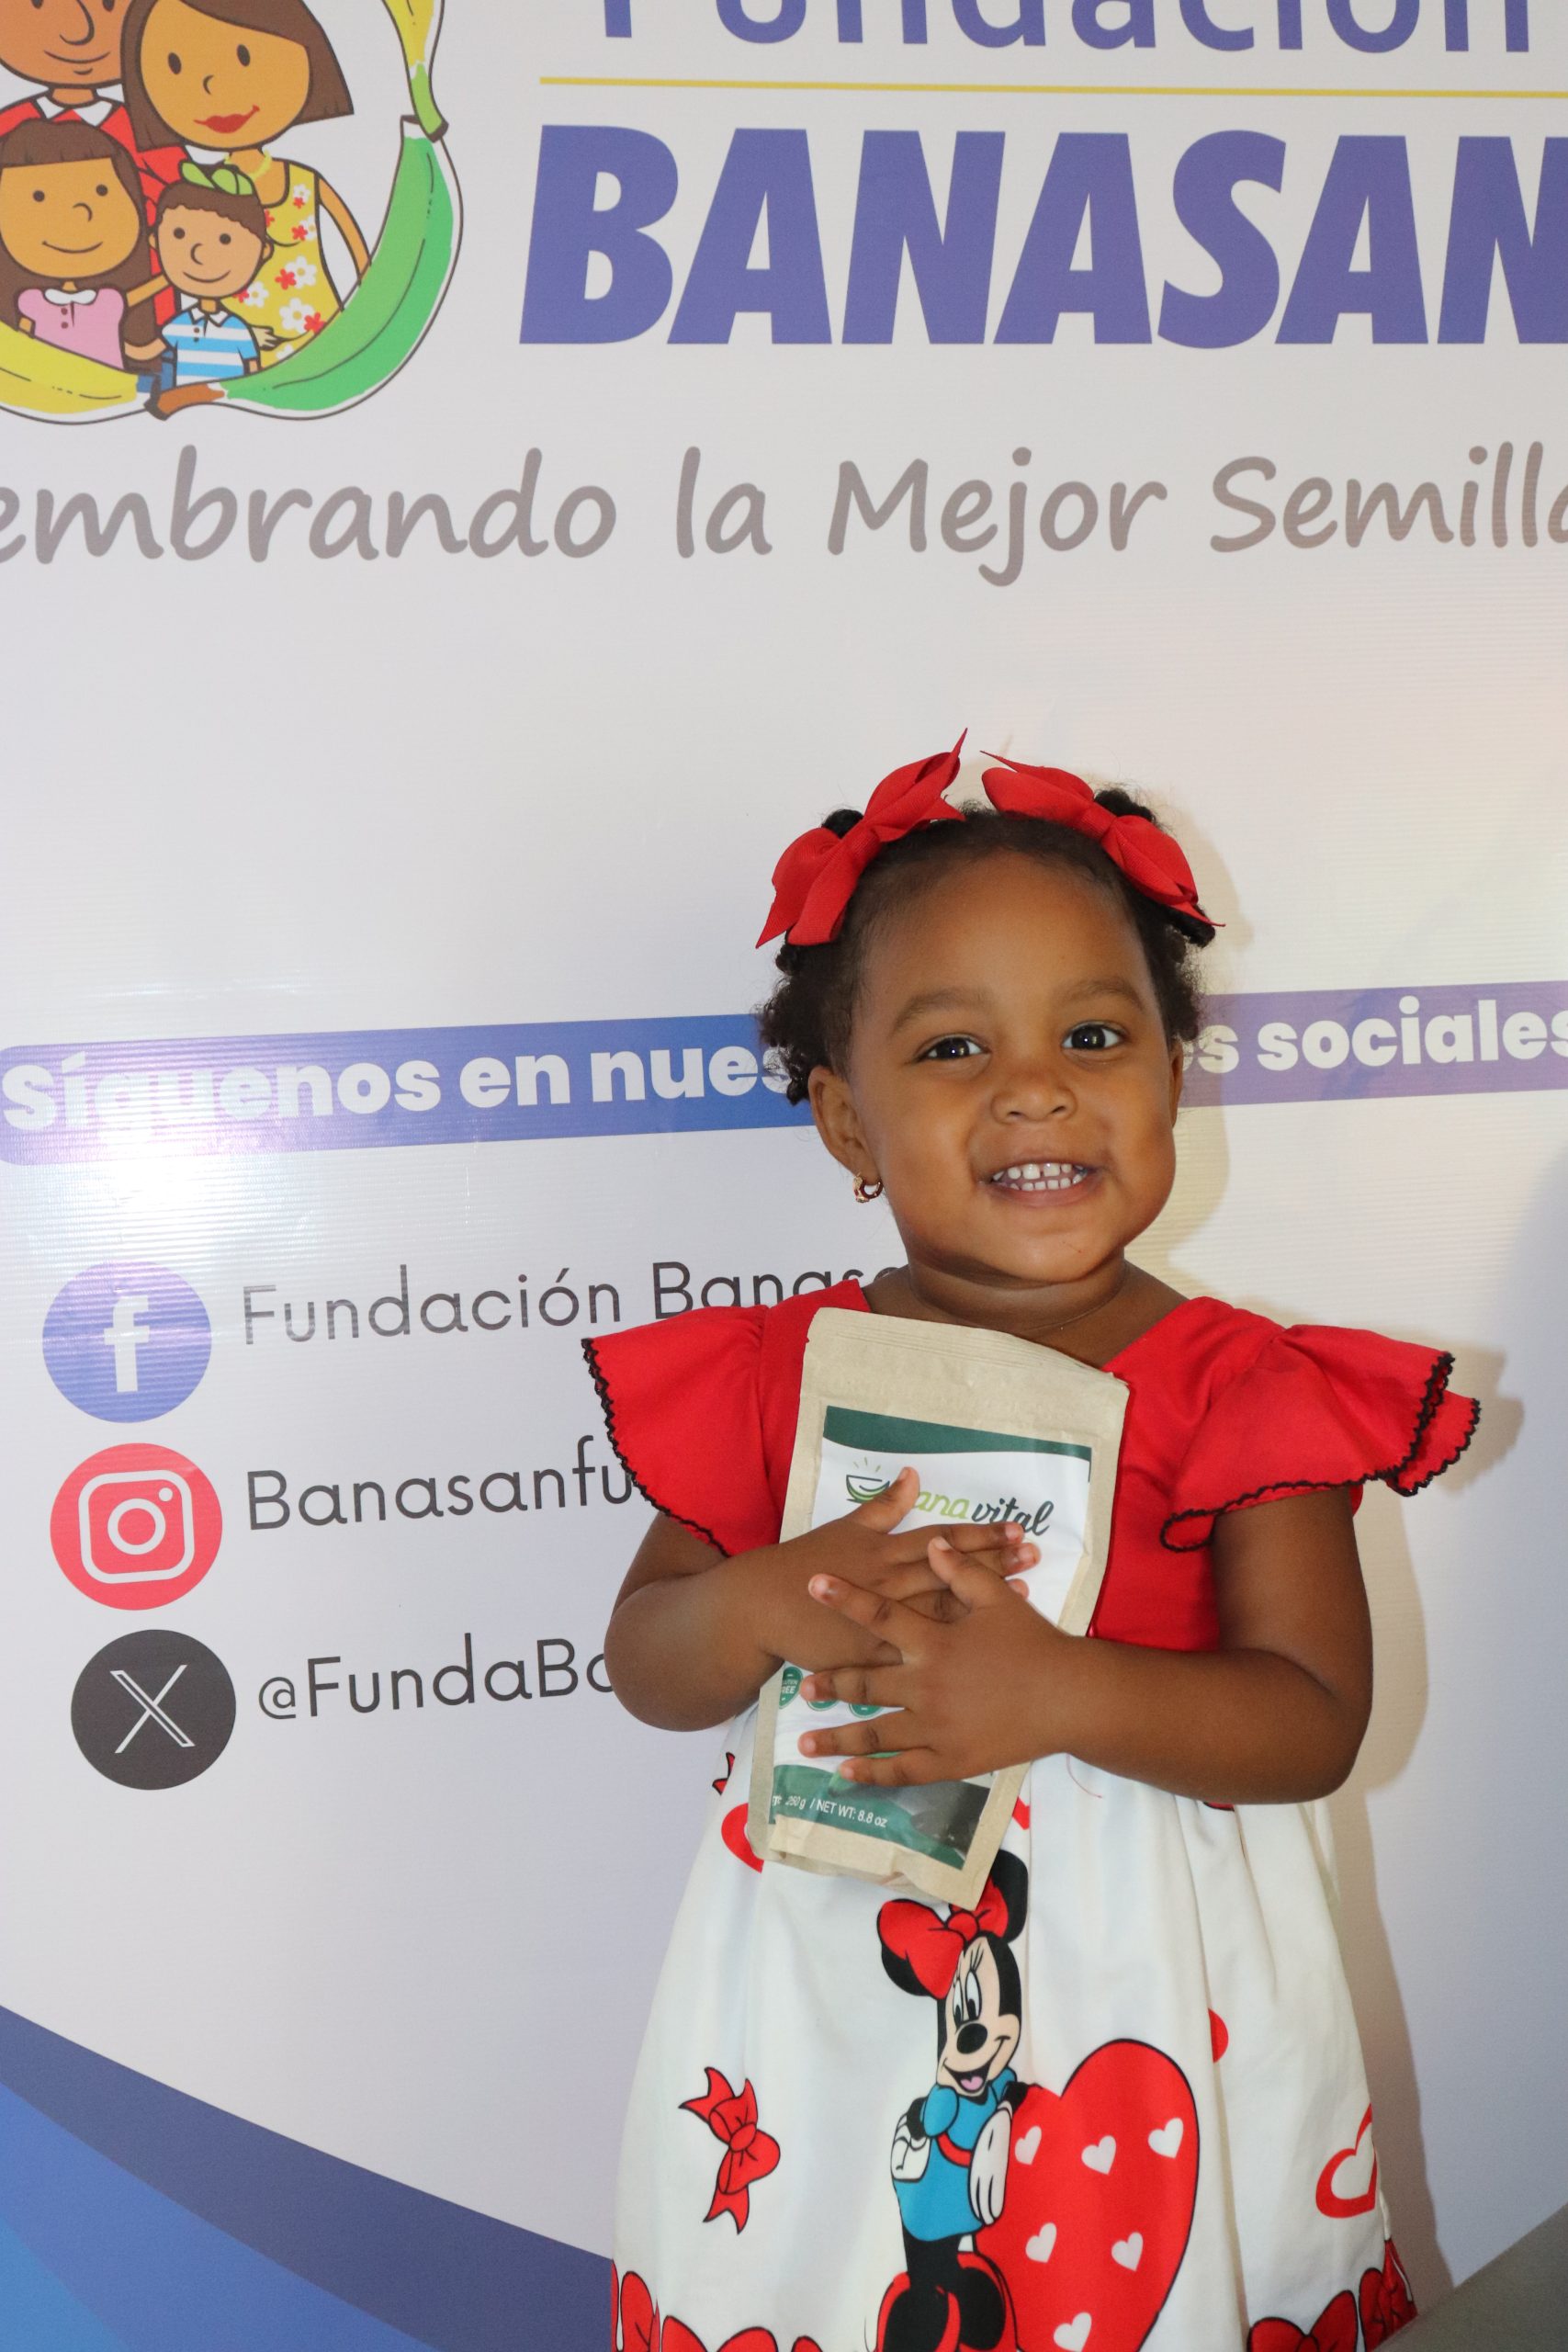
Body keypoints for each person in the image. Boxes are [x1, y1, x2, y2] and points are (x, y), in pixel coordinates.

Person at [583, 743, 1475, 2352]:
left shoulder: (1243, 1389)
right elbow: (647, 1661)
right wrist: (755, 1601)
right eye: (951, 1047)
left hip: (1158, 1996)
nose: (1035, 1087)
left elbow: (1308, 1721)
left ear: (1171, 1077)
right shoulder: (782, 1377)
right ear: (845, 1122)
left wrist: (1058, 1693)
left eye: (1092, 1034)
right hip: (829, 1981)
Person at [120, 0, 367, 367]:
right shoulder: (199, 192)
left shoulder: (304, 182)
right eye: (175, 65)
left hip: (319, 333)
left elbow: (357, 249)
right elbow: (182, 262)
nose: (212, 85)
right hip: (233, 342)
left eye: (243, 57)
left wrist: (370, 304)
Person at [0, 118, 164, 367]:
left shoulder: (109, 301)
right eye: (39, 196)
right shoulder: (29, 302)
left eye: (101, 191)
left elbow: (135, 329)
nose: (80, 214)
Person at [142, 161, 266, 390]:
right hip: (185, 402)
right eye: (179, 234)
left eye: (225, 240)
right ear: (155, 241)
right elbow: (146, 351)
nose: (199, 254)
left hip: (229, 403)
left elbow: (253, 370)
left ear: (262, 252)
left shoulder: (237, 328)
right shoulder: (180, 324)